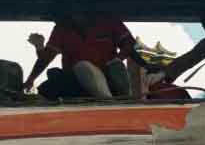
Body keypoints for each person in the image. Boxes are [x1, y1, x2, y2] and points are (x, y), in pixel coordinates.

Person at [23, 10, 153, 99]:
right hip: (76, 82)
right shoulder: (62, 27)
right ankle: (108, 101)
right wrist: (31, 78)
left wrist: (118, 60)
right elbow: (46, 58)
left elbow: (129, 45)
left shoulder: (109, 21)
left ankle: (120, 97)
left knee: (116, 66)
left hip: (109, 77)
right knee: (75, 70)